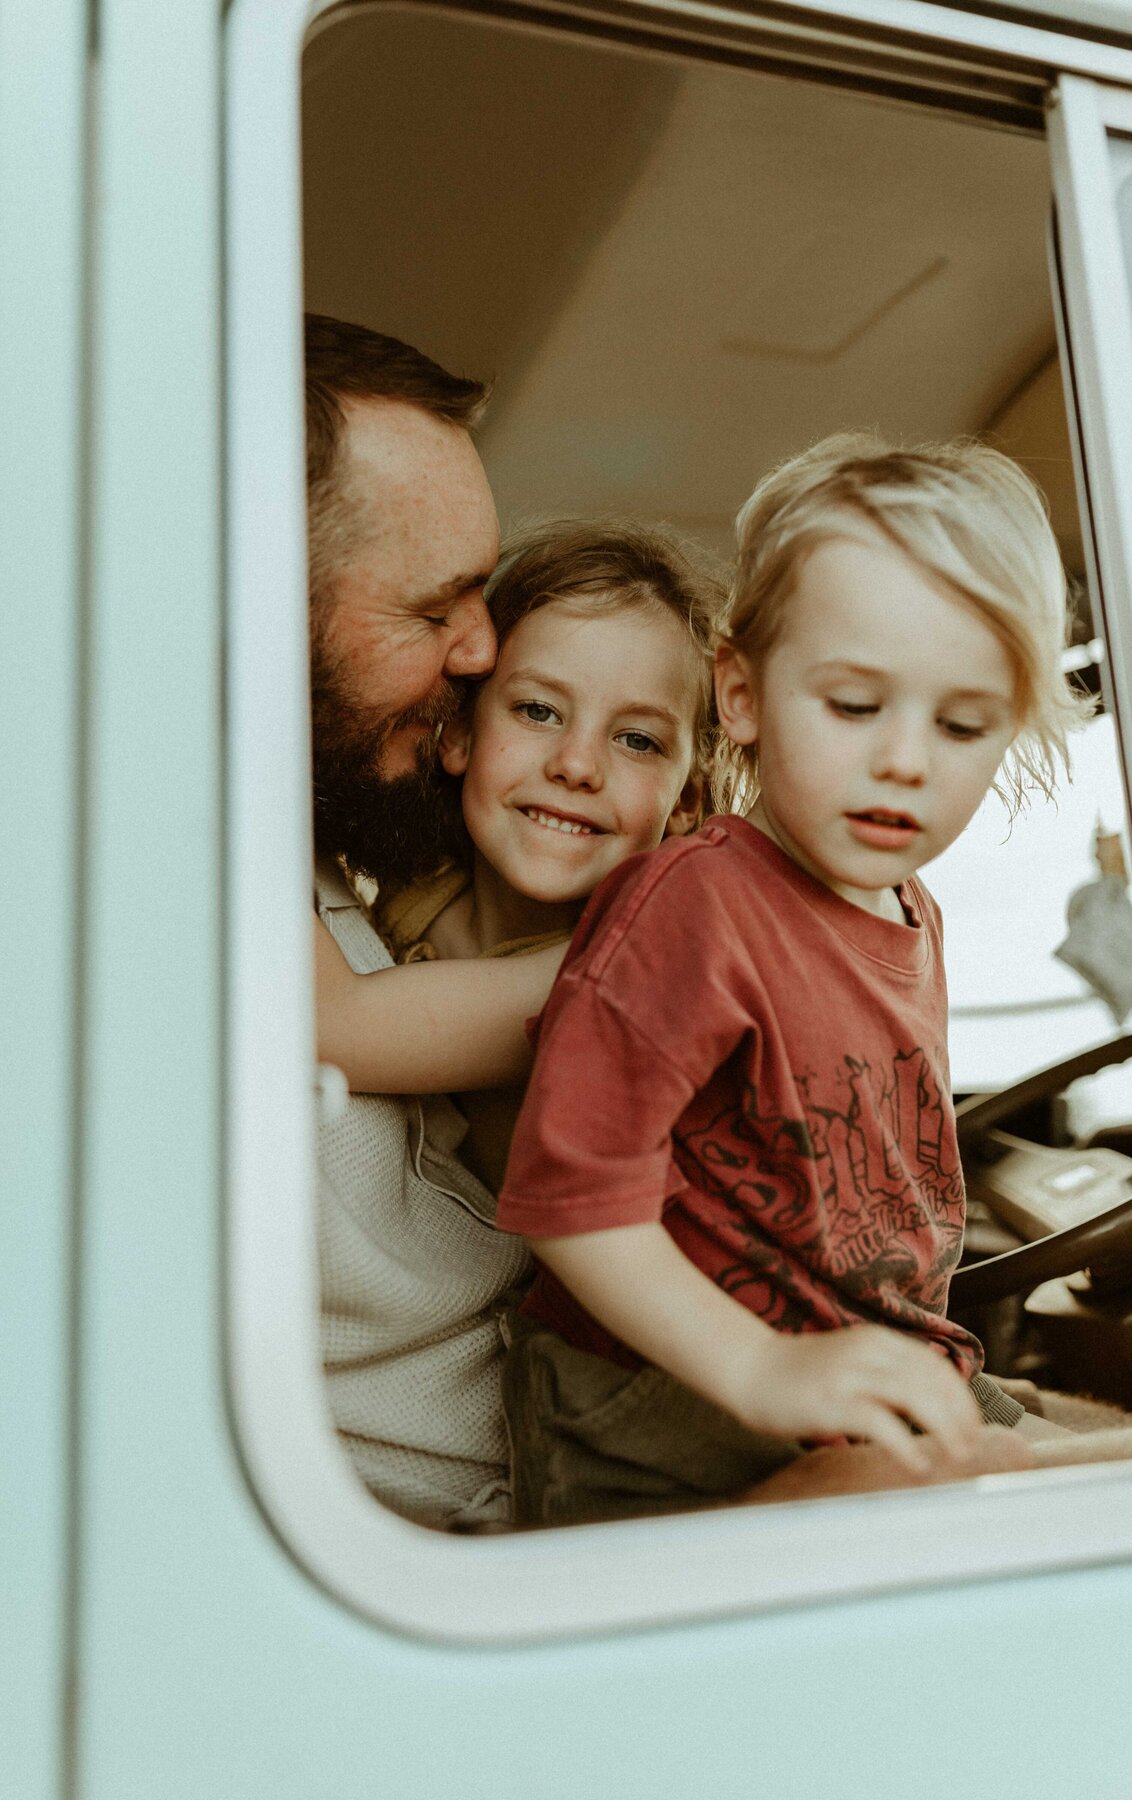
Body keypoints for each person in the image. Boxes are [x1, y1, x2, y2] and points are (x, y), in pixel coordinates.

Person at [494, 433, 1094, 1526]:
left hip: (853, 1372)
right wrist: (767, 1372)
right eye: (856, 707)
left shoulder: (913, 915)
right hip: (675, 1415)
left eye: (961, 725)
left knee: (1126, 1468)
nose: (906, 759)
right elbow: (567, 1198)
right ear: (743, 695)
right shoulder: (695, 904)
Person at [307, 312, 568, 1529]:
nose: (484, 649)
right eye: (434, 609)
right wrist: (702, 950)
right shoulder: (144, 853)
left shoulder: (318, 859)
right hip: (491, 1542)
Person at [316, 516, 731, 1196]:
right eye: (538, 711)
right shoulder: (420, 882)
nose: (576, 764)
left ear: (686, 799)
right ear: (457, 735)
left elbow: (331, 1027)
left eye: (637, 741)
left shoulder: (614, 968)